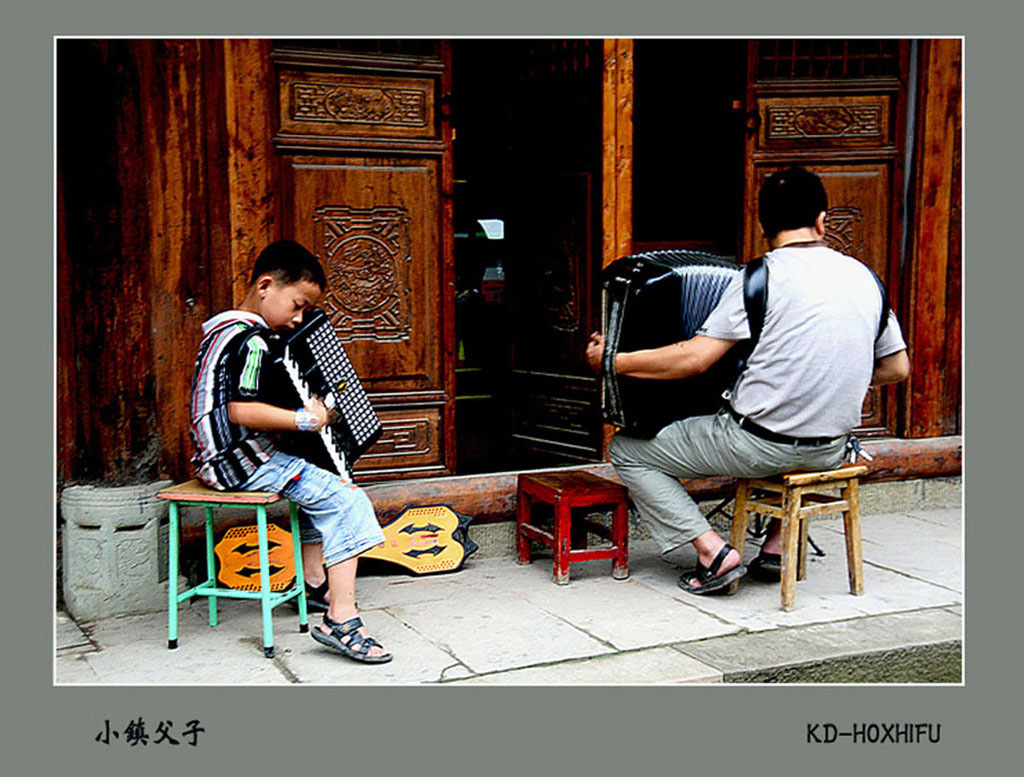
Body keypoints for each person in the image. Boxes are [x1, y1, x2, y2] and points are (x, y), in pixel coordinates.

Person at [586, 167, 910, 595]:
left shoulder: (760, 277)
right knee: (796, 436)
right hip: (831, 448)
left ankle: (713, 553)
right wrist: (826, 377)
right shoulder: (865, 278)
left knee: (627, 451)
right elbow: (898, 367)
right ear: (822, 221)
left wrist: (612, 359)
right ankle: (776, 546)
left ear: (764, 227)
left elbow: (695, 359)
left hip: (756, 447)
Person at [189, 239, 391, 662]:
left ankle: (316, 582)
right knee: (347, 499)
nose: (298, 318)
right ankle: (342, 619)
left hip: (218, 459)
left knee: (322, 477)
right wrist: (306, 419)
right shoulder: (254, 342)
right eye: (297, 305)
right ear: (266, 286)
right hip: (241, 463)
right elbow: (241, 409)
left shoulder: (223, 332)